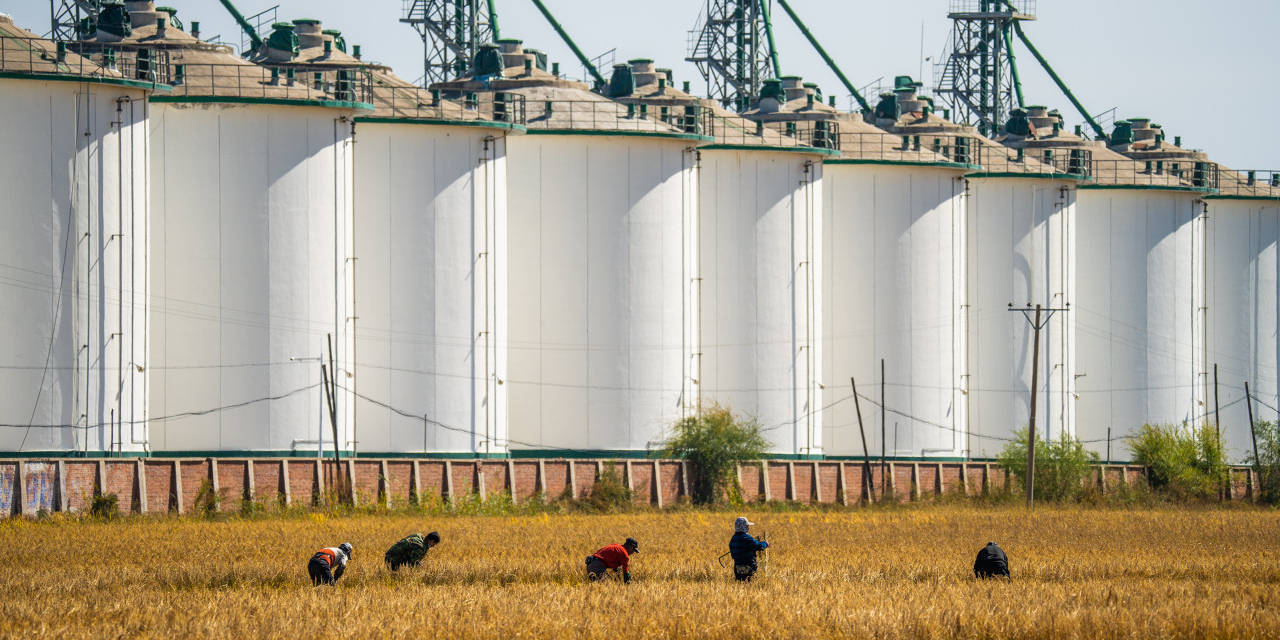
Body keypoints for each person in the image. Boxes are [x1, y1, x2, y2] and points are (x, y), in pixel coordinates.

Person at [728, 516, 769, 582]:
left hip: (737, 569)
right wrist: (765, 544)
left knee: (740, 585)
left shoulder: (733, 539)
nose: (748, 527)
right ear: (744, 527)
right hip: (749, 568)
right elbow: (758, 546)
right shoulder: (747, 538)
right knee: (750, 585)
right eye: (747, 526)